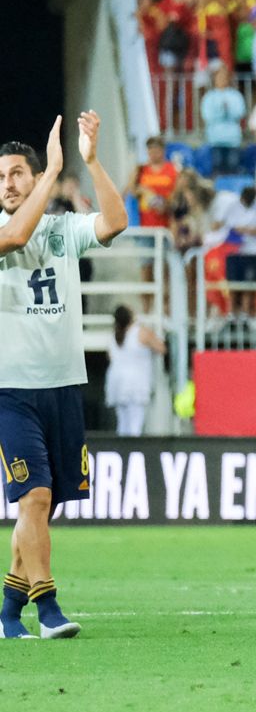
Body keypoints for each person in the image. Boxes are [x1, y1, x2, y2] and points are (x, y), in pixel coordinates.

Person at [0, 114, 122, 640]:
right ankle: (47, 606)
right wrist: (53, 168)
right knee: (35, 498)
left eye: (17, 174)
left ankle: (8, 611)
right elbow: (17, 233)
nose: (8, 184)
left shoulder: (61, 230)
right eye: (2, 176)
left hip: (65, 386)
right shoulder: (5, 229)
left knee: (42, 507)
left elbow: (114, 222)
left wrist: (90, 162)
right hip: (11, 390)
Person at [106, 304, 165, 437]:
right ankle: (132, 452)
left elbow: (109, 356)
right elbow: (161, 348)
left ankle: (122, 452)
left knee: (122, 423)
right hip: (135, 382)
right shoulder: (141, 332)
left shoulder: (114, 335)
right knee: (135, 423)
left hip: (116, 380)